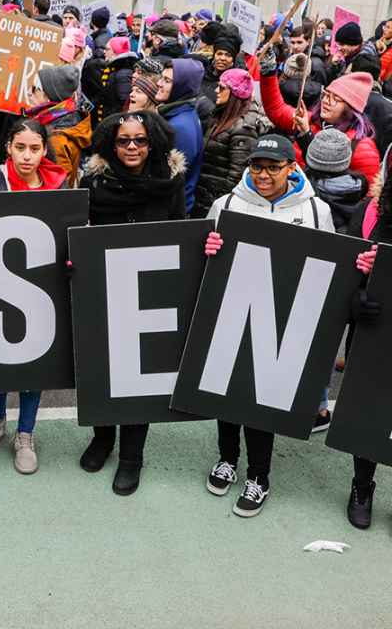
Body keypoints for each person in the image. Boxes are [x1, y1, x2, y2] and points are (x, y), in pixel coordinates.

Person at [204, 134, 334, 517]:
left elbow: (327, 266)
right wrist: (206, 248)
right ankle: (227, 459)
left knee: (263, 400)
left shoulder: (314, 210)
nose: (263, 175)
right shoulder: (225, 204)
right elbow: (204, 256)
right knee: (224, 394)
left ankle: (259, 476)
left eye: (273, 168)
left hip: (281, 321)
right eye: (257, 166)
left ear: (292, 169)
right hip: (231, 315)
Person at [79, 111, 186, 495]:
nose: (132, 147)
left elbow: (180, 230)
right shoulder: (93, 183)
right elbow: (76, 231)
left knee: (141, 377)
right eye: (124, 140)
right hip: (103, 290)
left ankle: (131, 457)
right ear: (111, 142)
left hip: (150, 295)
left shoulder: (171, 181)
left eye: (140, 140)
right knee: (102, 370)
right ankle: (103, 438)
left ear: (152, 141)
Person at [0, 118, 67, 475]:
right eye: (20, 147)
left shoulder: (59, 186)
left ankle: (25, 433)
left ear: (44, 150)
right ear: (8, 148)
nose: (27, 156)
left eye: (35, 148)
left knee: (34, 363)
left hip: (42, 289)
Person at [344, 153, 392, 529]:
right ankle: (362, 486)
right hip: (374, 329)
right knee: (368, 408)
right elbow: (345, 269)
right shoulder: (370, 214)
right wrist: (359, 295)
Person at [260, 48, 380, 188]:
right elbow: (276, 109)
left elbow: (367, 197)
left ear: (351, 109)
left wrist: (306, 135)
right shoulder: (309, 121)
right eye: (326, 95)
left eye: (336, 99)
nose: (326, 101)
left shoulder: (362, 147)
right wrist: (269, 72)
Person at [193, 68, 269, 217]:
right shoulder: (222, 115)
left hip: (215, 203)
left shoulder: (243, 128)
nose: (216, 90)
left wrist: (218, 203)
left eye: (222, 87)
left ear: (235, 93)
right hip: (204, 196)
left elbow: (237, 175)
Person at [27, 64, 90, 187]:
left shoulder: (56, 137)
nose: (29, 92)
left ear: (50, 95)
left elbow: (59, 189)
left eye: (35, 89)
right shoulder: (62, 119)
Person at [155, 58, 205, 214]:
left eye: (167, 80)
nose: (159, 83)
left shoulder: (179, 127)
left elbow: (168, 180)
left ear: (181, 87)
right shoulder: (180, 115)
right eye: (161, 77)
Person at [350, 52, 392, 159]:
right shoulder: (388, 106)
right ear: (378, 76)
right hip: (375, 164)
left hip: (343, 160)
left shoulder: (344, 101)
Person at [93, 36, 137, 124]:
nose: (104, 52)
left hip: (114, 121)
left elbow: (124, 104)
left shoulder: (123, 74)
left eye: (108, 49)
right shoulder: (115, 70)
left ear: (116, 51)